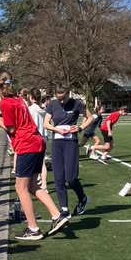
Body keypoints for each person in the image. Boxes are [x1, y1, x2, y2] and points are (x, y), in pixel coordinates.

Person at [0, 71, 69, 241]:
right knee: (32, 186)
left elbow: (11, 129)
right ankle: (57, 215)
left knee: (21, 188)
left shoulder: (7, 102)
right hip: (37, 142)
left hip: (26, 144)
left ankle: (33, 228)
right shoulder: (18, 99)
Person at [43, 86, 91, 217]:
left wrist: (80, 127)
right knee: (58, 177)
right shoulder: (52, 104)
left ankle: (82, 198)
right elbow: (46, 123)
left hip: (71, 143)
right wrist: (56, 129)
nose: (61, 102)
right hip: (57, 143)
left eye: (63, 98)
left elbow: (90, 117)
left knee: (70, 178)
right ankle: (64, 208)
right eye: (59, 99)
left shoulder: (77, 104)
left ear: (68, 94)